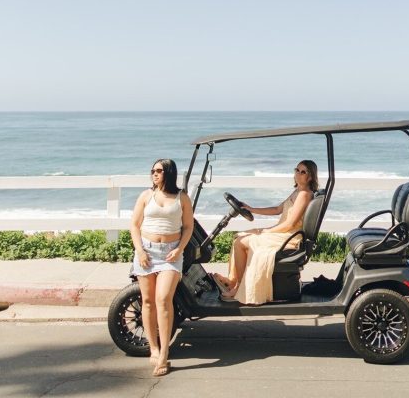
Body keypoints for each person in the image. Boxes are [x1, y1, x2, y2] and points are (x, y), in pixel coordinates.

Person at [214, 160, 319, 305]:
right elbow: (277, 209)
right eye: (297, 170)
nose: (298, 174)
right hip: (283, 232)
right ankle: (232, 281)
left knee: (241, 242)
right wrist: (251, 209)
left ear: (311, 177)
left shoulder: (305, 195)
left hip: (289, 237)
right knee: (240, 236)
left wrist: (264, 231)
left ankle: (237, 287)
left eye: (303, 172)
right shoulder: (297, 191)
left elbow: (290, 224)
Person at [130, 158, 193, 377]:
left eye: (158, 171)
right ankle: (154, 348)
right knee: (147, 302)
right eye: (152, 171)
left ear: (169, 173)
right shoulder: (146, 196)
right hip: (146, 251)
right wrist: (139, 250)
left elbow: (188, 227)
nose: (154, 174)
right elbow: (134, 225)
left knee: (163, 299)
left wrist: (179, 249)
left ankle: (164, 353)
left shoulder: (181, 198)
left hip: (170, 254)